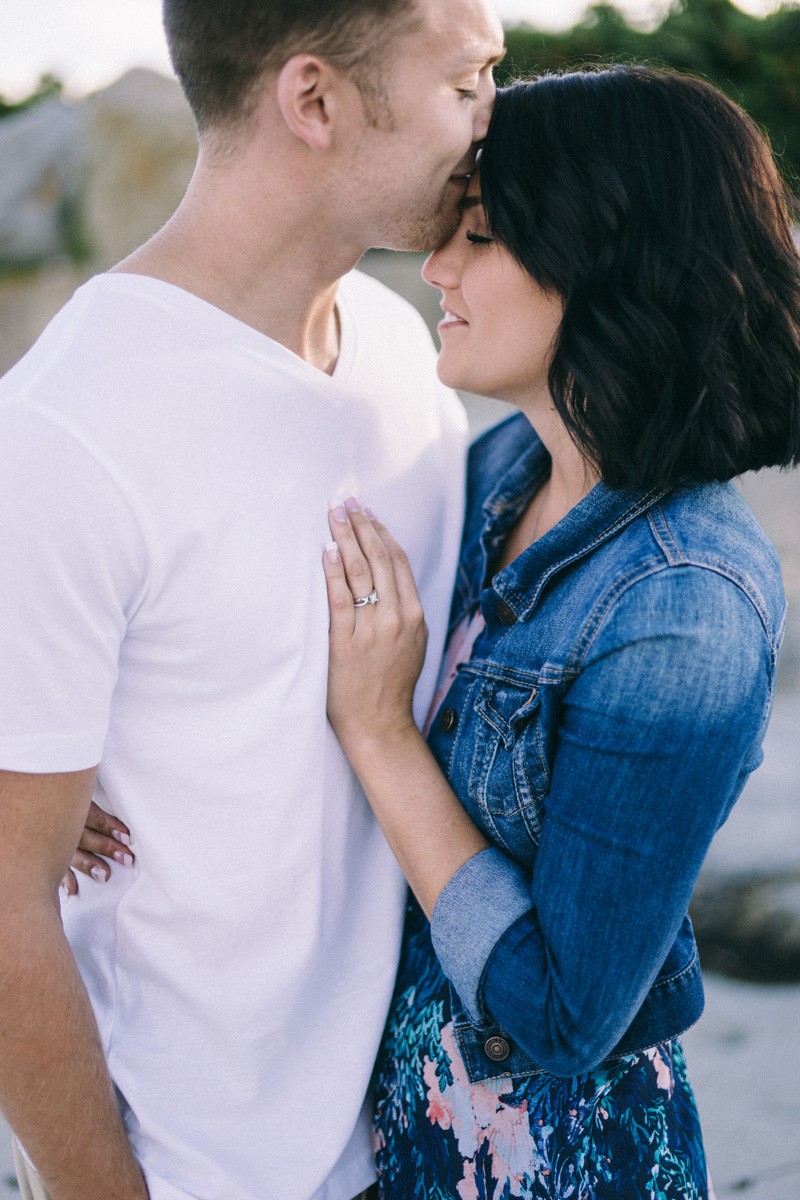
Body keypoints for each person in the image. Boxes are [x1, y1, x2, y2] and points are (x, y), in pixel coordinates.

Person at [0, 2, 505, 1199]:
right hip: (185, 1170)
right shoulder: (66, 433)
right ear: (315, 101)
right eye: (468, 81)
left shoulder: (402, 356)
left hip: (416, 1141)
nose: (497, 118)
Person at [312, 68, 800, 1198]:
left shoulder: (684, 607)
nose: (434, 268)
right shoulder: (489, 472)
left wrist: (382, 733)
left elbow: (566, 1012)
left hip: (549, 1160)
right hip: (394, 1118)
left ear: (602, 260)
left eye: (477, 236)